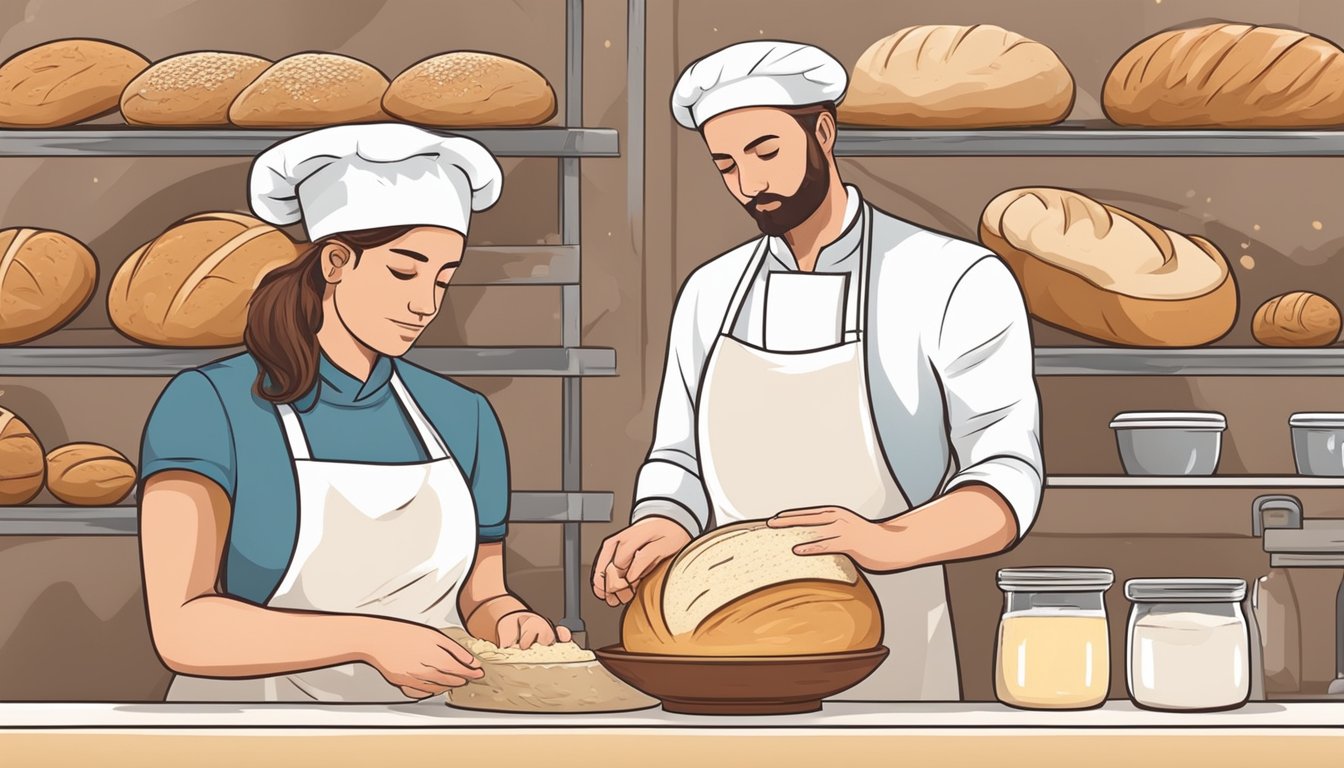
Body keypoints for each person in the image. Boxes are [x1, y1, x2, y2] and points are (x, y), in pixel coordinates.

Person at [592, 41, 1044, 701]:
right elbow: (677, 460)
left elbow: (1005, 483)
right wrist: (663, 520)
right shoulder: (710, 293)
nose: (749, 183)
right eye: (726, 165)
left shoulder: (953, 278)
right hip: (725, 632)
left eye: (765, 151)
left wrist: (883, 540)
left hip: (892, 633)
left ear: (823, 132)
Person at [139, 123, 569, 703]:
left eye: (445, 279)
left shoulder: (462, 416)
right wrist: (371, 641)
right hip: (249, 727)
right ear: (335, 261)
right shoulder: (208, 405)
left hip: (426, 727)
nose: (426, 304)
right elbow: (182, 628)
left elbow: (481, 595)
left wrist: (510, 621)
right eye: (404, 271)